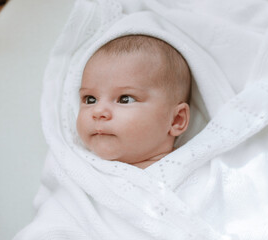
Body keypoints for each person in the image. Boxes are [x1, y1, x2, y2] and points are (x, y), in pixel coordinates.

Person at [76, 35, 191, 169]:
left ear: (176, 120)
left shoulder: (200, 174)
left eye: (125, 99)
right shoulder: (76, 168)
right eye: (90, 99)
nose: (98, 111)